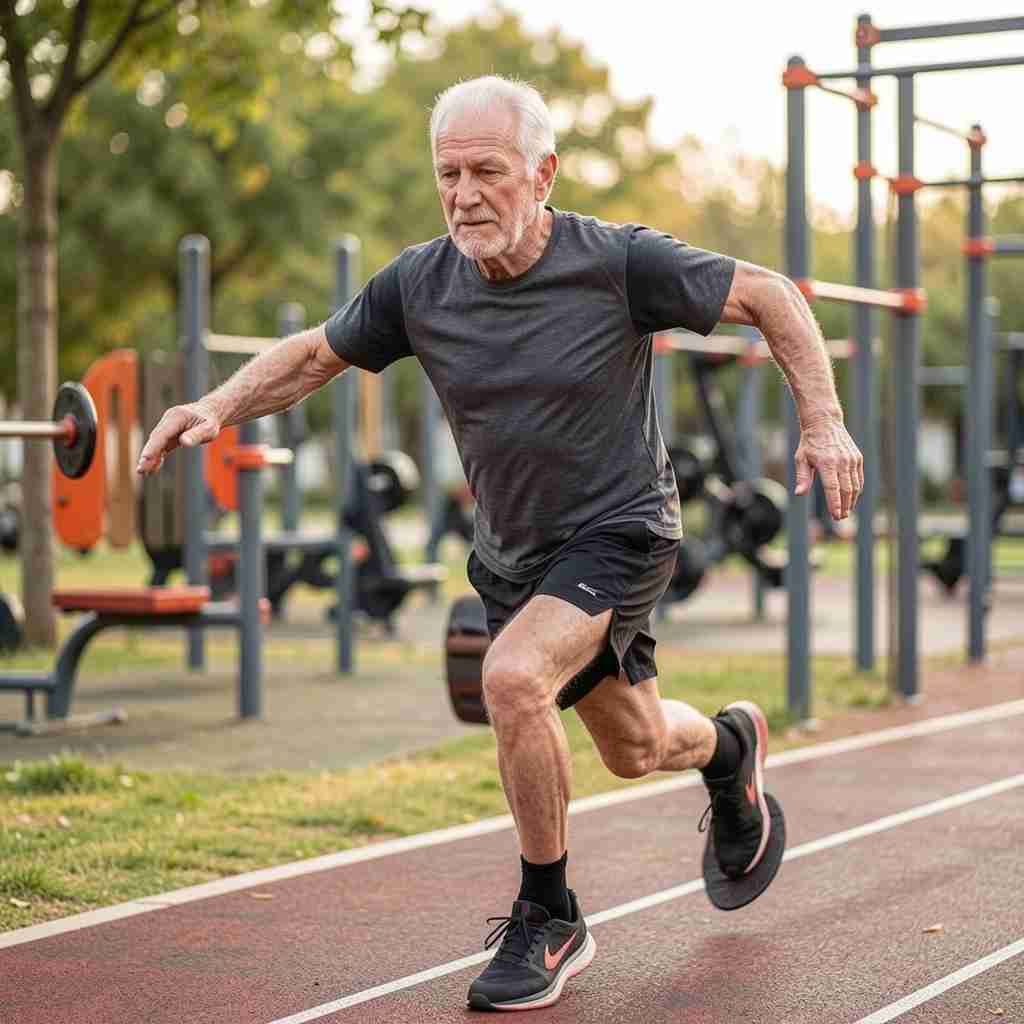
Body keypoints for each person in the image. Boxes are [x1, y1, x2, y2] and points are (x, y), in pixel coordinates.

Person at [138, 75, 864, 1012]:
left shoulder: (619, 263)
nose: (465, 194)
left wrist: (824, 420)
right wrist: (214, 404)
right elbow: (316, 354)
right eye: (448, 174)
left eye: (488, 170)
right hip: (515, 554)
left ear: (542, 173)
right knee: (635, 747)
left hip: (621, 531)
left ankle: (549, 913)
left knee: (513, 678)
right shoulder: (419, 283)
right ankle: (728, 750)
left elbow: (770, 295)